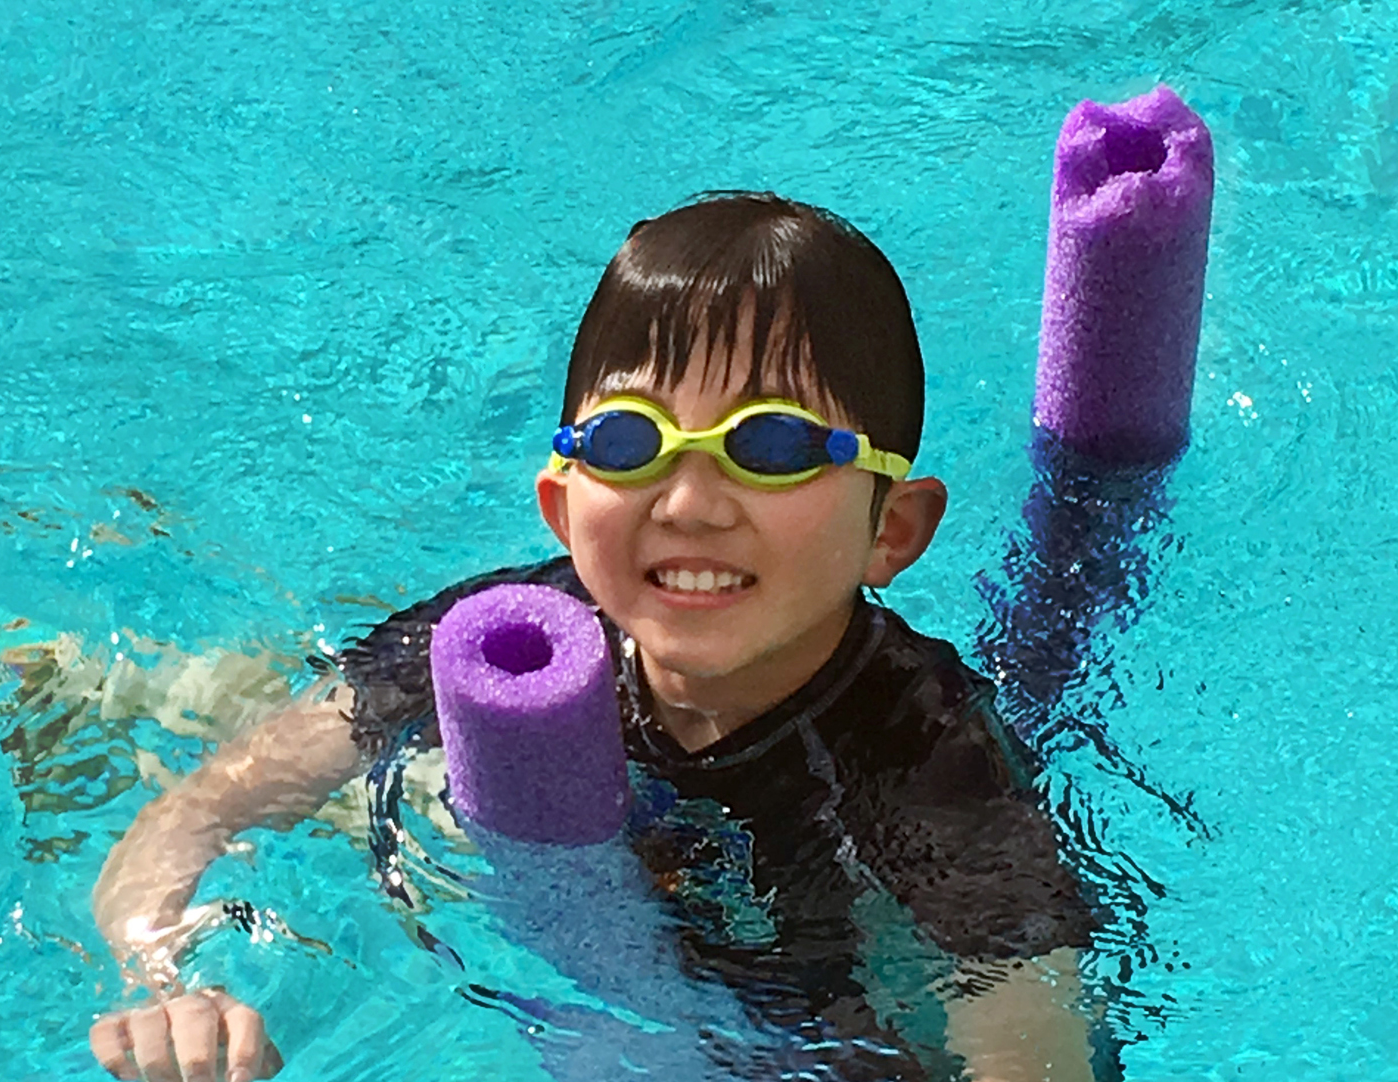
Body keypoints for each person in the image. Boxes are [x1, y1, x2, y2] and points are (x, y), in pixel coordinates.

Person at [81, 192, 1105, 1082]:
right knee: (331, 758)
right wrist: (163, 982)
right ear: (563, 509)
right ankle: (72, 674)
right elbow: (201, 810)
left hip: (779, 1000)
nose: (690, 503)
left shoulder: (930, 763)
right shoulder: (506, 641)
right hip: (515, 844)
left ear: (891, 530)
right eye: (628, 440)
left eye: (770, 444)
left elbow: (1030, 1035)